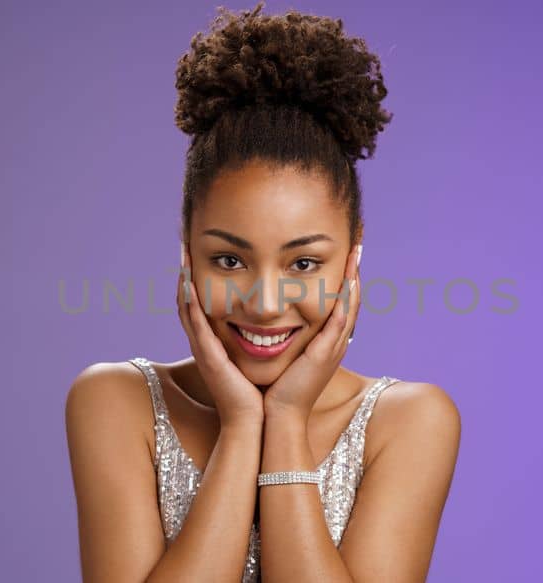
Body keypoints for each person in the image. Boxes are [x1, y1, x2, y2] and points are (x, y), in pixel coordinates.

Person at [65, 4, 461, 581]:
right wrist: (243, 425)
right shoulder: (116, 402)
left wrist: (288, 420)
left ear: (354, 254)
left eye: (303, 261)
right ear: (186, 251)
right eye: (229, 259)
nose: (267, 303)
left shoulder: (409, 421)